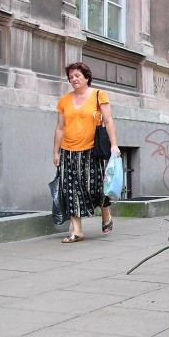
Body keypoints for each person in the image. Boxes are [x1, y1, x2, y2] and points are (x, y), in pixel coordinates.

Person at [52, 62, 121, 243]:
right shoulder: (64, 100)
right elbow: (60, 128)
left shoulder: (98, 95)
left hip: (91, 150)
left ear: (86, 77)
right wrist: (56, 152)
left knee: (95, 187)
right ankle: (77, 231)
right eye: (71, 77)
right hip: (68, 151)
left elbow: (108, 121)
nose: (74, 79)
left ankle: (106, 213)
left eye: (77, 76)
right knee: (70, 190)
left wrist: (114, 145)